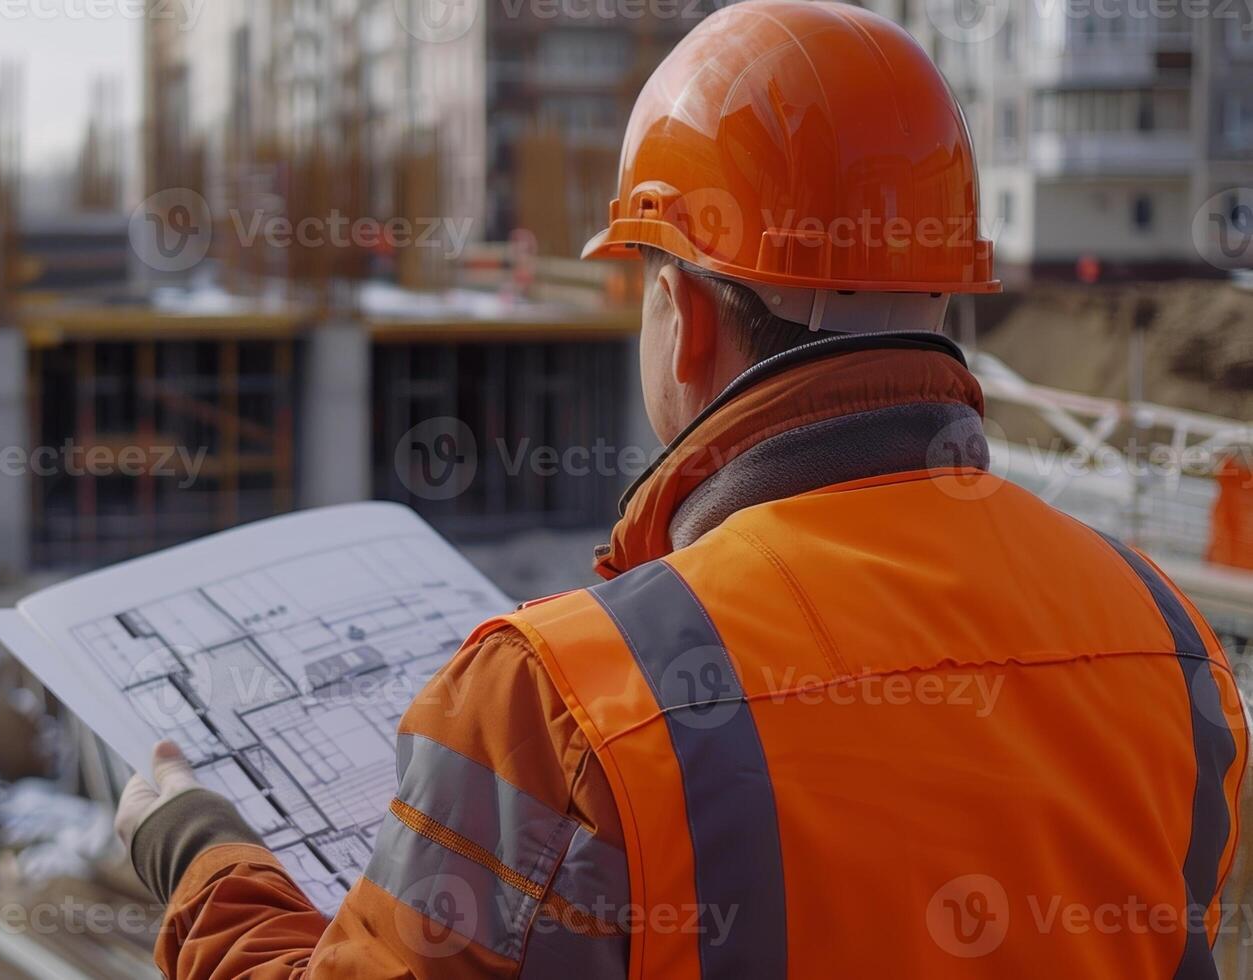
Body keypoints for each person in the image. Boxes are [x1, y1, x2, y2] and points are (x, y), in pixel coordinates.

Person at [114, 3, 1249, 977]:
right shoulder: (1168, 639)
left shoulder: (559, 703)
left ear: (688, 315)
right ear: (945, 292)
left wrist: (195, 850)